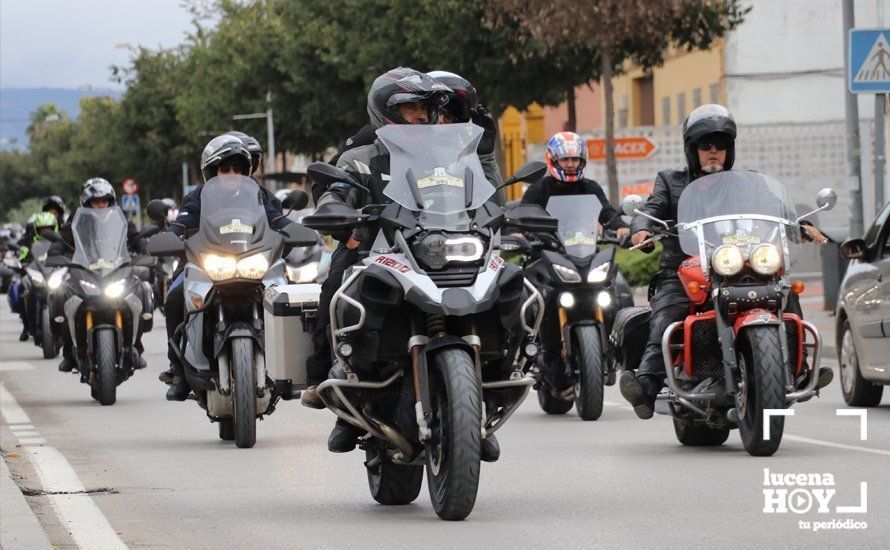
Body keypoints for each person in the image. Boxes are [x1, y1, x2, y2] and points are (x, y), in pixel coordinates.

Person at [303, 67, 501, 460]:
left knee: (505, 284)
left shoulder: (448, 156)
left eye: (423, 107)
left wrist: (488, 156)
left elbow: (488, 191)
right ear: (384, 110)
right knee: (337, 285)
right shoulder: (361, 156)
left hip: (439, 248)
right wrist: (341, 218)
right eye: (409, 107)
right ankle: (336, 385)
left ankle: (479, 404)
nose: (418, 115)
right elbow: (334, 190)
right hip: (376, 249)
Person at [620, 104, 832, 419]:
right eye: (705, 145)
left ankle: (797, 368)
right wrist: (641, 229)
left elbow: (775, 209)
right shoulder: (670, 180)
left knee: (785, 292)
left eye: (720, 145)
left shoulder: (750, 183)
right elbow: (653, 208)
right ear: (692, 150)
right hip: (687, 270)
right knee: (667, 312)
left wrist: (798, 226)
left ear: (729, 149)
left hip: (741, 265)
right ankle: (647, 385)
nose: (713, 151)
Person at [162, 134, 292, 401]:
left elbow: (277, 219)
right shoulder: (197, 197)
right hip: (206, 263)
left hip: (253, 262)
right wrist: (172, 235)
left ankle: (288, 368)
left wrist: (296, 229)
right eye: (225, 169)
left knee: (289, 298)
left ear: (246, 171)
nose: (231, 174)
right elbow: (183, 222)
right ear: (213, 172)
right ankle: (178, 369)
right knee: (174, 297)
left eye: (237, 169)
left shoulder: (260, 195)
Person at [518, 131, 630, 388]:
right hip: (548, 255)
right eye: (565, 159)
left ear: (583, 161)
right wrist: (519, 233)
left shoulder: (590, 188)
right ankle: (539, 355)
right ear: (553, 161)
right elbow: (523, 215)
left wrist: (621, 228)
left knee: (618, 290)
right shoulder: (540, 189)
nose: (570, 165)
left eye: (575, 160)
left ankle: (616, 352)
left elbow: (608, 214)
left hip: (584, 254)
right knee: (537, 299)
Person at [48, 178, 149, 373]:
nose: (101, 205)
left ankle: (135, 347)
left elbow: (135, 239)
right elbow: (62, 240)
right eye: (96, 201)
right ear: (86, 203)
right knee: (67, 297)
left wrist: (145, 249)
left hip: (115, 270)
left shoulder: (122, 222)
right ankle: (69, 353)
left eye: (105, 200)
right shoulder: (76, 222)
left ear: (112, 201)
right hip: (87, 271)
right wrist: (55, 252)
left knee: (139, 292)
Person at [11, 212, 58, 341]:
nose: (46, 231)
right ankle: (28, 326)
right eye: (43, 229)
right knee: (26, 292)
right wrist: (22, 263)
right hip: (39, 278)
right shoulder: (30, 244)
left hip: (55, 277)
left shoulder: (60, 242)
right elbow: (22, 256)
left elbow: (70, 255)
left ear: (54, 228)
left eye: (49, 228)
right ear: (37, 230)